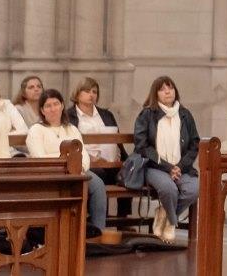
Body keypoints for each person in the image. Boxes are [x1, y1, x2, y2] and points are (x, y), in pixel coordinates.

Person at [26, 89, 108, 234]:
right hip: (50, 173)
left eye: (56, 104)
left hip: (76, 171)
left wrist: (80, 167)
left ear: (62, 106)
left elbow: (83, 153)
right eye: (48, 106)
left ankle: (98, 232)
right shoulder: (36, 130)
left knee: (97, 184)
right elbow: (39, 156)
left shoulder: (71, 129)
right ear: (42, 110)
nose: (53, 109)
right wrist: (66, 157)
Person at [133, 76, 200, 242]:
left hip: (180, 168)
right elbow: (142, 147)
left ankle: (167, 217)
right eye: (162, 89)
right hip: (155, 167)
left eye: (170, 88)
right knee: (169, 189)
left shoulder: (185, 115)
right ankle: (172, 221)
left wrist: (179, 166)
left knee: (194, 189)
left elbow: (194, 144)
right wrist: (167, 167)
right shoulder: (147, 114)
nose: (168, 91)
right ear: (156, 94)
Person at [66, 76, 130, 215]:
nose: (91, 95)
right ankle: (100, 219)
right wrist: (91, 159)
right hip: (88, 162)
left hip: (110, 161)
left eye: (94, 91)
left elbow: (116, 139)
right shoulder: (69, 115)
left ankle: (124, 220)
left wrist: (124, 159)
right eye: (87, 91)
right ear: (77, 93)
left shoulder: (106, 114)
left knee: (128, 173)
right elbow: (72, 144)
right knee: (100, 175)